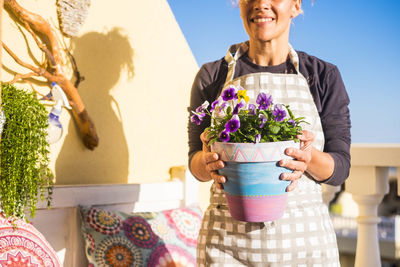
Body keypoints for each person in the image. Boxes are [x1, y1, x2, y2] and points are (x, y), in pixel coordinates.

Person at [188, 0, 351, 266]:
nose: (261, 4)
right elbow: (195, 161)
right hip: (226, 248)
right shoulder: (212, 75)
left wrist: (308, 157)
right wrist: (206, 162)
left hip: (303, 247)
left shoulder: (322, 76)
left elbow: (340, 168)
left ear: (296, 5)